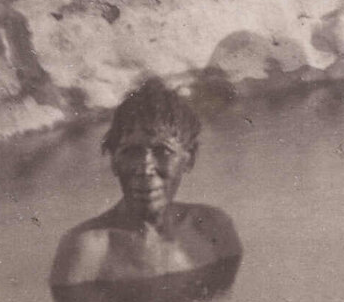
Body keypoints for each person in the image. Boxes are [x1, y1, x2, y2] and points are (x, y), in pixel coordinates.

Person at [50, 78, 242, 285]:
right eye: (131, 152)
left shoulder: (213, 227)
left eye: (163, 151)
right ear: (114, 161)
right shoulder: (88, 250)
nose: (145, 168)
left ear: (189, 158)